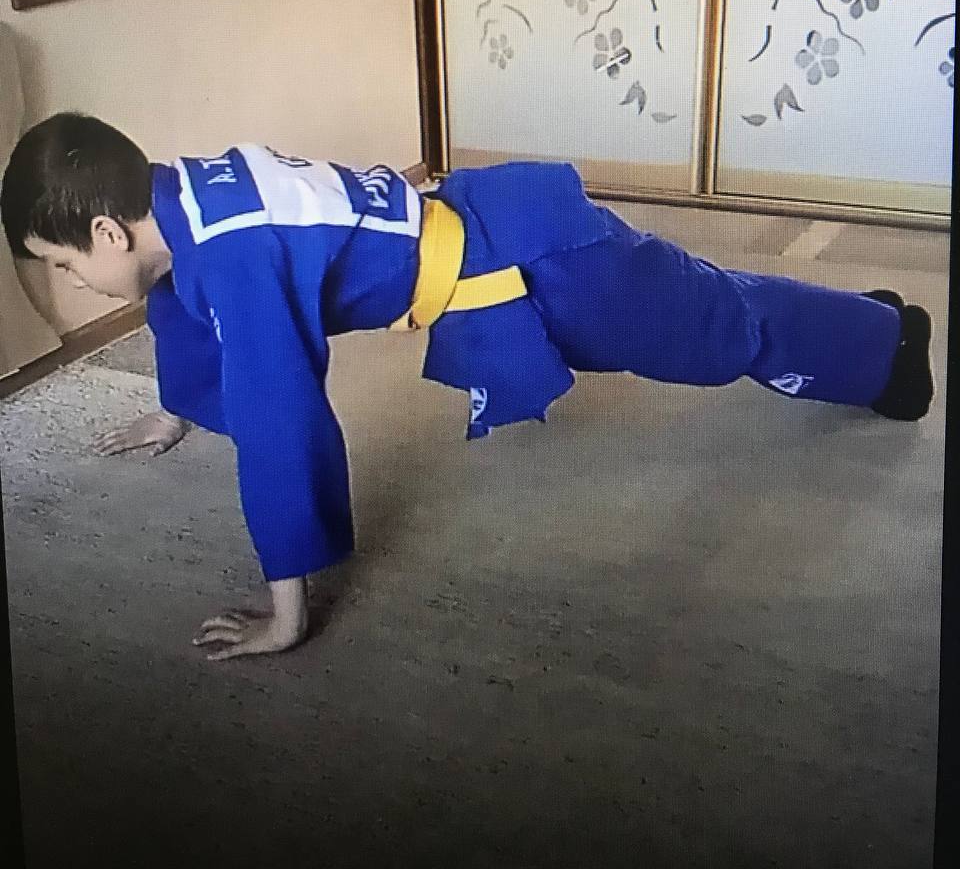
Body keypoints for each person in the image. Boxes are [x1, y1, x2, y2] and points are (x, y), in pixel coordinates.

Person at [1, 113, 933, 660]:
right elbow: (176, 307)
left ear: (109, 234)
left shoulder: (231, 260)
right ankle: (865, 321)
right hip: (484, 243)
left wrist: (287, 614)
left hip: (536, 265)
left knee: (720, 329)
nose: (72, 284)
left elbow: (282, 423)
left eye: (63, 264)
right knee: (710, 302)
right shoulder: (181, 199)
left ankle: (889, 345)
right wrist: (174, 411)